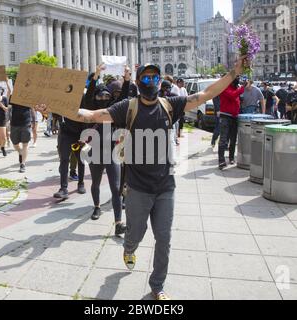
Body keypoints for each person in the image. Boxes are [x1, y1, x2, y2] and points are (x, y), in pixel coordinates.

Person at [36, 57, 245, 300]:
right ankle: (129, 247)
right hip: (137, 188)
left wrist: (234, 72)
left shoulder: (170, 105)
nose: (152, 81)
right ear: (138, 82)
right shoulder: (128, 107)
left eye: (155, 77)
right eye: (146, 77)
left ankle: (157, 285)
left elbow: (207, 93)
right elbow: (92, 115)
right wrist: (54, 108)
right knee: (136, 233)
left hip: (166, 186)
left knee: (164, 238)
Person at [83, 63, 129, 236]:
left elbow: (124, 97)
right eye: (100, 95)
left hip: (112, 153)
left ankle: (118, 222)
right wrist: (95, 76)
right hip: (95, 153)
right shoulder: (91, 109)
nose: (103, 97)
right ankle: (96, 207)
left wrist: (126, 79)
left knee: (116, 187)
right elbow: (88, 97)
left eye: (106, 95)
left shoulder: (113, 110)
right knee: (95, 183)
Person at [218, 76, 246, 170]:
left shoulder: (235, 88)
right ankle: (221, 160)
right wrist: (242, 88)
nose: (237, 85)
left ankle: (231, 158)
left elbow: (237, 97)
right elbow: (232, 95)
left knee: (233, 139)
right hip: (225, 116)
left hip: (234, 117)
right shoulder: (225, 87)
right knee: (223, 139)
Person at [10, 101, 32, 173]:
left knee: (25, 144)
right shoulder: (13, 96)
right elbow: (7, 104)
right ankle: (20, 152)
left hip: (26, 123)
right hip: (14, 124)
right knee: (15, 143)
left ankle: (23, 164)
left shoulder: (29, 97)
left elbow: (33, 107)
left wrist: (34, 121)